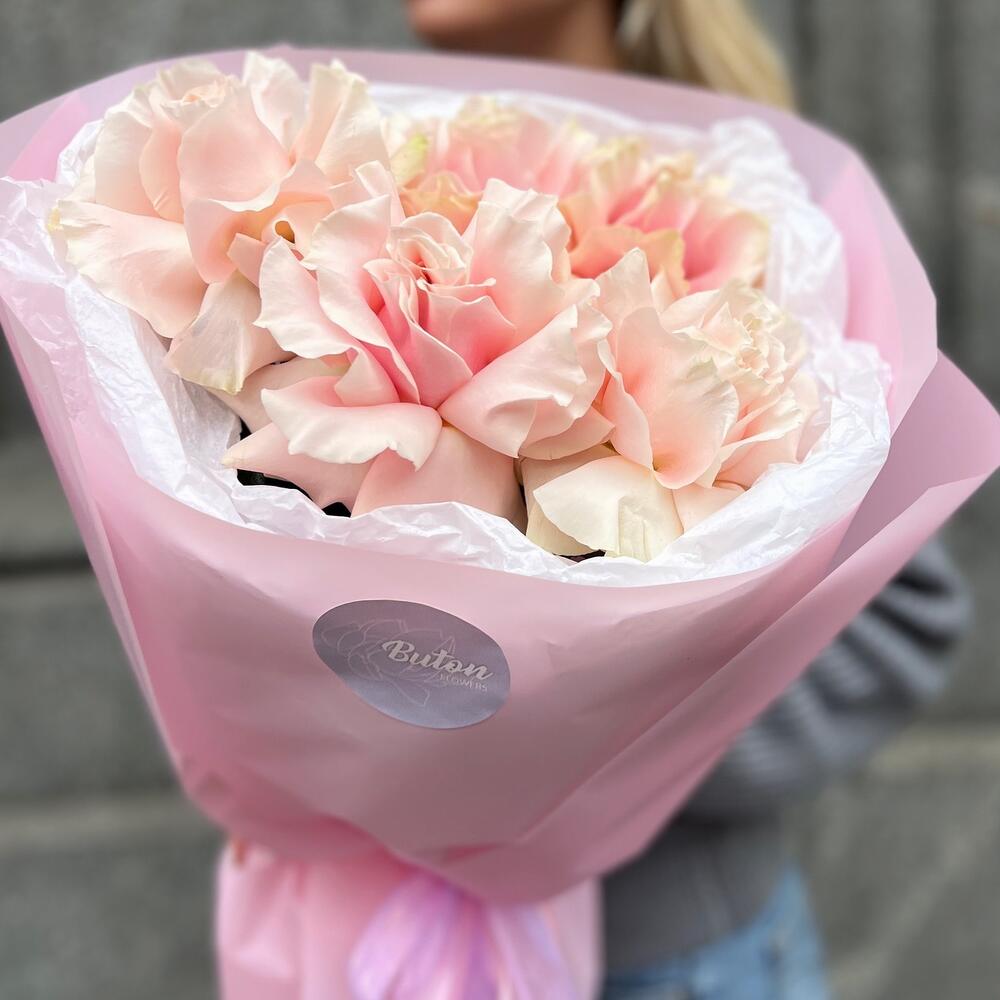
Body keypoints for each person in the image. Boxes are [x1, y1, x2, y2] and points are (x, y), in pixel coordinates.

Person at [401, 1, 972, 997]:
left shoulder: (741, 212)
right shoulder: (364, 186)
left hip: (665, 958)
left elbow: (902, 618)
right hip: (378, 938)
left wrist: (612, 743)